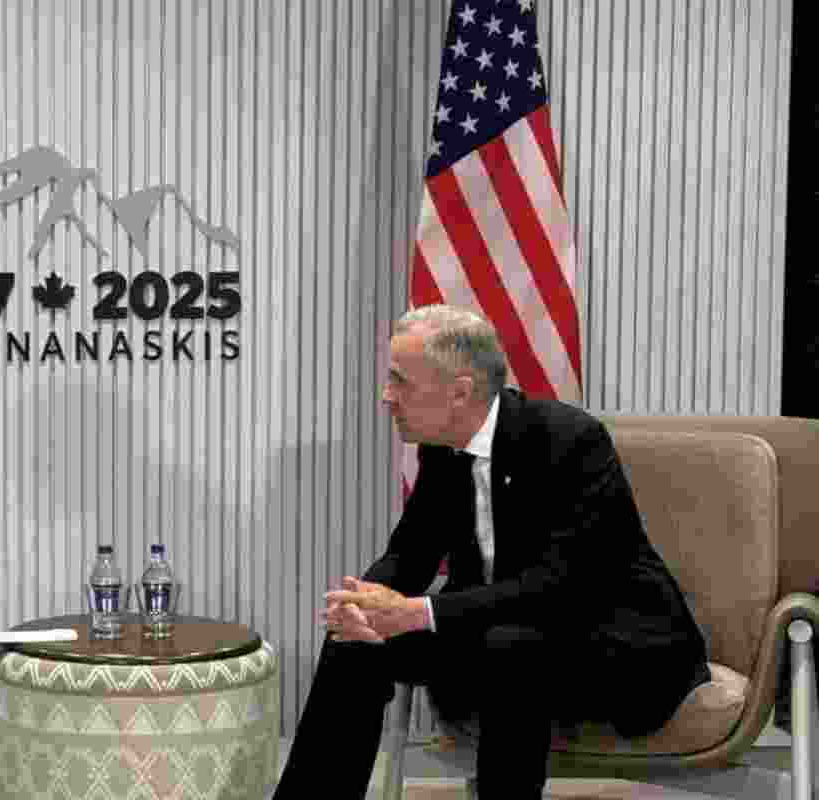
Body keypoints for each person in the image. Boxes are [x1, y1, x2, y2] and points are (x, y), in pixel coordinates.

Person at [272, 305, 710, 799]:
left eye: (400, 382)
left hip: (608, 644)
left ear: (459, 392)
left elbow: (561, 586)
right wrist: (367, 602)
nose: (385, 397)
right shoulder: (441, 448)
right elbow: (410, 553)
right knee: (354, 642)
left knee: (512, 645)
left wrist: (419, 612)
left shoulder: (571, 441)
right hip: (499, 634)